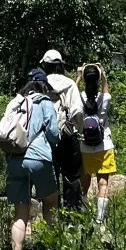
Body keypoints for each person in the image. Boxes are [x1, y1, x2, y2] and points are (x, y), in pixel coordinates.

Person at [4, 68, 60, 250]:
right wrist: (54, 143)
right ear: (43, 85)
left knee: (21, 212)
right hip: (38, 157)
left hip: (15, 159)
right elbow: (53, 132)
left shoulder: (16, 102)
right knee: (51, 202)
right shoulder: (44, 102)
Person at [41, 48, 84, 210]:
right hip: (68, 136)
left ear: (45, 65)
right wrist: (78, 130)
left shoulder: (40, 84)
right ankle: (70, 214)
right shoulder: (70, 84)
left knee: (50, 177)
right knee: (72, 177)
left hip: (46, 138)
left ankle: (51, 214)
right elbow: (78, 111)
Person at [76, 63, 116, 227]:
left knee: (84, 184)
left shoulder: (79, 98)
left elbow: (72, 93)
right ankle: (99, 220)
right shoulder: (104, 99)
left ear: (85, 79)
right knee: (103, 183)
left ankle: (83, 212)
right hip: (104, 145)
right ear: (98, 79)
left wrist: (78, 77)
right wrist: (104, 76)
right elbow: (106, 91)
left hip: (84, 146)